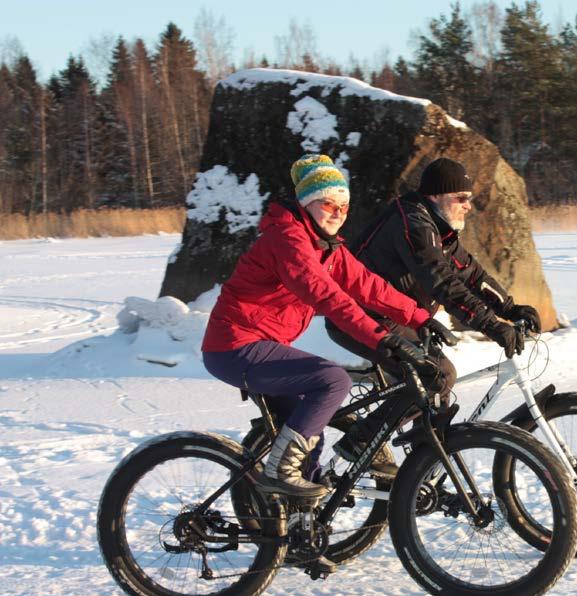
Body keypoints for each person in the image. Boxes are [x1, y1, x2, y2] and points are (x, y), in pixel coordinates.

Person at [201, 154, 442, 499]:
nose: (338, 212)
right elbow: (328, 297)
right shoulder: (288, 241)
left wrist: (420, 318)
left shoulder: (326, 247)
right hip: (235, 346)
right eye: (329, 203)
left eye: (344, 206)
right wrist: (382, 338)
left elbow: (368, 285)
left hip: (262, 345)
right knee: (333, 380)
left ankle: (300, 526)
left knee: (309, 432)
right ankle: (280, 472)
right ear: (307, 203)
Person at [326, 157, 541, 450]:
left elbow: (471, 274)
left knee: (437, 393)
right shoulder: (412, 224)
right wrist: (491, 325)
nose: (468, 205)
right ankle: (359, 443)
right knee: (437, 376)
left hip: (399, 318)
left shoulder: (439, 227)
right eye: (461, 198)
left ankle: (423, 474)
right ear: (436, 196)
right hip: (359, 318)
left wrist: (509, 308)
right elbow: (442, 284)